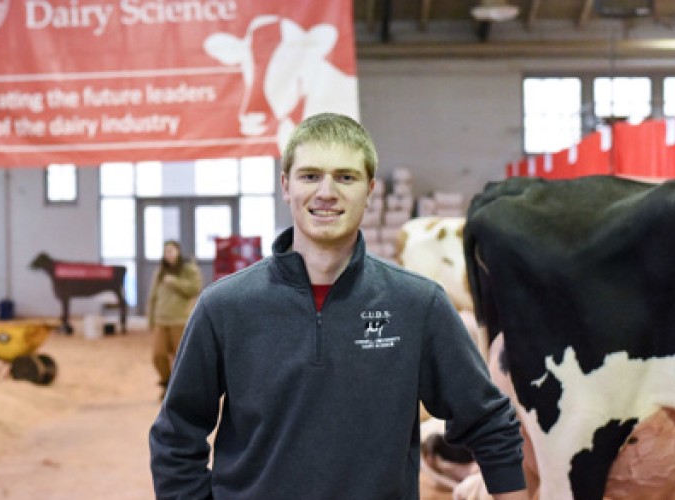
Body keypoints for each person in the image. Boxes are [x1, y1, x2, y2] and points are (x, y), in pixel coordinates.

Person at [149, 112, 527, 499]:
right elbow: (176, 436)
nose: (327, 192)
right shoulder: (225, 307)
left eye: (345, 177)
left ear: (370, 189)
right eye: (310, 176)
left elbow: (488, 421)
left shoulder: (417, 305)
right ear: (286, 186)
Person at [147, 240, 203, 400]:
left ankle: (179, 390)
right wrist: (150, 320)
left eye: (172, 251)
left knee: (181, 358)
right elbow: (152, 297)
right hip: (161, 320)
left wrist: (174, 282)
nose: (169, 255)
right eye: (166, 252)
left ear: (178, 252)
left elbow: (194, 289)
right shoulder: (160, 272)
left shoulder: (188, 269)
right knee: (158, 355)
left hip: (180, 320)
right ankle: (166, 383)